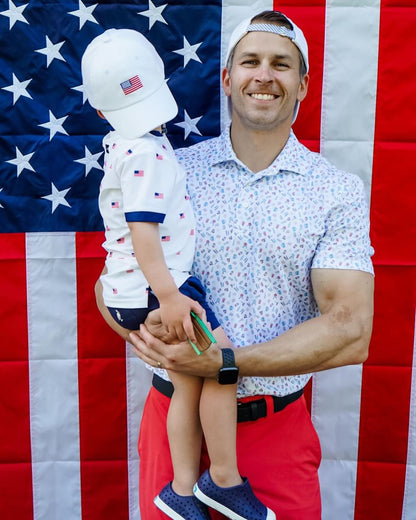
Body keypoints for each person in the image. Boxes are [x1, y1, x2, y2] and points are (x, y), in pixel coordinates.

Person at [95, 10, 374, 520]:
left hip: (274, 431)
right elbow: (115, 273)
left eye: (281, 64)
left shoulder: (336, 192)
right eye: (250, 61)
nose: (263, 75)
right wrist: (132, 328)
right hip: (174, 421)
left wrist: (223, 364)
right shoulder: (174, 169)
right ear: (227, 77)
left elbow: (352, 331)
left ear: (304, 84)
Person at [82, 29, 275, 520]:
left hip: (138, 289)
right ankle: (224, 481)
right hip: (159, 288)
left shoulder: (122, 144)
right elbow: (143, 234)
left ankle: (183, 492)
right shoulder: (145, 154)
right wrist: (168, 296)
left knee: (188, 380)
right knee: (222, 363)